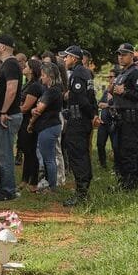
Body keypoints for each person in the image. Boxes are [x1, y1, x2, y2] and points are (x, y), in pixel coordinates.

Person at [61, 46, 96, 206]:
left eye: (66, 57)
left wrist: (90, 115)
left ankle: (81, 194)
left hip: (78, 120)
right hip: (82, 120)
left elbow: (82, 100)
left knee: (77, 155)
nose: (64, 59)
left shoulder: (77, 74)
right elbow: (91, 97)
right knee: (82, 154)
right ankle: (83, 190)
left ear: (74, 58)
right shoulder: (86, 72)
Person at [111, 43, 138, 190]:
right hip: (121, 119)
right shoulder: (123, 73)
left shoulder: (136, 73)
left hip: (131, 119)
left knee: (129, 152)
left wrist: (125, 92)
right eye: (119, 54)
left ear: (132, 56)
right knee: (121, 152)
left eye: (124, 54)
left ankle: (130, 185)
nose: (120, 57)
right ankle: (125, 182)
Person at [0, 35, 23, 202]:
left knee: (5, 155)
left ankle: (7, 190)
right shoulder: (8, 64)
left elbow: (11, 89)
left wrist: (3, 111)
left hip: (7, 116)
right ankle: (3, 187)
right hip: (5, 114)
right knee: (2, 153)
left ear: (3, 47)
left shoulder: (10, 64)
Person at [28, 62, 65, 194]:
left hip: (48, 126)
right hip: (50, 125)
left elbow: (39, 109)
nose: (41, 77)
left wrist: (31, 121)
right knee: (49, 157)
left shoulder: (52, 91)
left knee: (48, 158)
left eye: (43, 75)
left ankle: (52, 186)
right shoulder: (54, 90)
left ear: (50, 76)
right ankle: (49, 184)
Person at [17, 59, 43, 191]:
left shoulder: (34, 86)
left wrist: (12, 109)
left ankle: (33, 181)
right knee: (26, 151)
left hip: (29, 121)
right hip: (24, 120)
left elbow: (26, 107)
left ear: (31, 70)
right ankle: (24, 179)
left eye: (26, 66)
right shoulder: (28, 84)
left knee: (30, 151)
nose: (24, 67)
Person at [96, 68, 118, 170]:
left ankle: (116, 167)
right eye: (109, 77)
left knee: (115, 146)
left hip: (114, 123)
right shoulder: (107, 91)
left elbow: (118, 105)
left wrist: (108, 105)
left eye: (111, 77)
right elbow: (100, 104)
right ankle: (102, 165)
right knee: (100, 144)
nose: (109, 79)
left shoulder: (119, 90)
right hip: (103, 122)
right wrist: (108, 105)